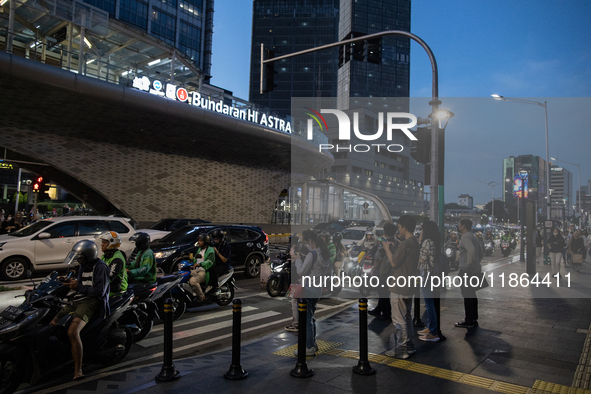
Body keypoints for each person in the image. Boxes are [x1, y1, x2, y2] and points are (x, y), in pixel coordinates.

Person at [51, 240, 110, 380]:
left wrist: (78, 287)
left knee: (72, 331)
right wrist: (68, 282)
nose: (79, 260)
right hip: (78, 299)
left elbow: (100, 292)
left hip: (92, 302)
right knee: (52, 323)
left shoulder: (101, 268)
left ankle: (78, 370)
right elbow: (80, 283)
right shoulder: (83, 266)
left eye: (81, 257)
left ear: (89, 256)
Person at [382, 215, 420, 359]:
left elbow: (393, 263)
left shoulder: (406, 243)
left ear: (404, 227)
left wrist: (386, 248)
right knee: (407, 317)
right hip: (409, 285)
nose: (398, 229)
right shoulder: (414, 242)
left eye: (399, 227)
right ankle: (409, 346)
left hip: (399, 285)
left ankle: (401, 349)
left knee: (398, 319)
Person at [294, 229, 330, 356]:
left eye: (305, 242)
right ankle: (313, 343)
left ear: (310, 241)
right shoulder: (324, 253)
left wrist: (298, 261)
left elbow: (301, 272)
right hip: (318, 289)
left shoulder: (312, 254)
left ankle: (308, 347)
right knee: (312, 317)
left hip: (308, 289)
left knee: (307, 319)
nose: (305, 245)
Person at [455, 219, 483, 329]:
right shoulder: (473, 236)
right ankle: (473, 318)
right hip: (474, 270)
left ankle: (468, 320)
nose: (458, 226)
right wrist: (476, 263)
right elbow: (480, 253)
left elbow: (471, 250)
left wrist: (468, 265)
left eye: (459, 224)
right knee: (472, 294)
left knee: (467, 295)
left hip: (467, 271)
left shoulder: (465, 236)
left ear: (463, 226)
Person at [417, 220, 441, 342]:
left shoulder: (426, 242)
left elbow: (422, 259)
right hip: (431, 275)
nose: (421, 231)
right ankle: (430, 328)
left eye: (422, 229)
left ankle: (433, 332)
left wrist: (420, 241)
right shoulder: (434, 241)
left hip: (426, 275)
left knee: (429, 304)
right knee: (430, 304)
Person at [368, 222, 398, 321]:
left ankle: (386, 313)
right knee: (384, 291)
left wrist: (373, 269)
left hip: (383, 271)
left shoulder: (384, 242)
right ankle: (378, 309)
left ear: (385, 232)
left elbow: (378, 257)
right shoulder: (397, 242)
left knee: (382, 292)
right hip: (393, 271)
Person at [98, 231, 128, 296]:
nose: (102, 245)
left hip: (117, 291)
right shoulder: (105, 255)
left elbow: (109, 277)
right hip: (108, 288)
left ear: (111, 244)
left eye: (104, 243)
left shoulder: (117, 259)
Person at [188, 233, 216, 301]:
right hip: (197, 270)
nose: (199, 242)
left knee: (193, 281)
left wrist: (200, 264)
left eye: (201, 241)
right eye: (198, 240)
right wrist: (190, 258)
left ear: (205, 242)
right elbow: (195, 260)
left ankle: (202, 297)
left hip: (205, 271)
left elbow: (209, 263)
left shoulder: (210, 250)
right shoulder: (199, 250)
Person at [209, 229, 231, 293]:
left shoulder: (227, 246)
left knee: (213, 270)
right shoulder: (215, 244)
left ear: (221, 238)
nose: (215, 241)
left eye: (217, 239)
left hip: (224, 265)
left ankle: (216, 287)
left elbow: (224, 260)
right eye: (214, 239)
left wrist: (217, 251)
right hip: (217, 263)